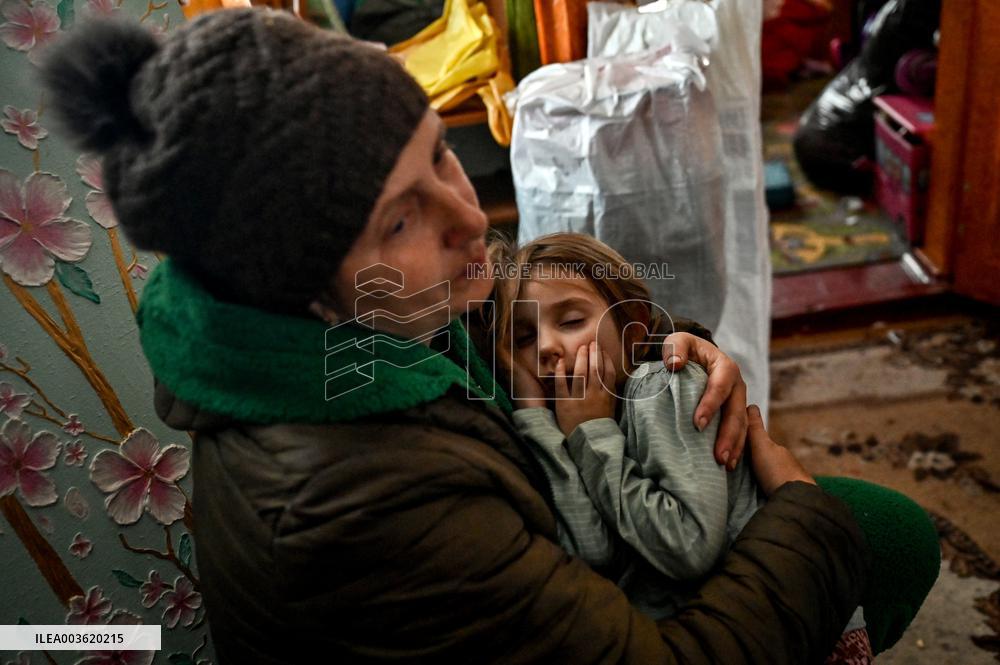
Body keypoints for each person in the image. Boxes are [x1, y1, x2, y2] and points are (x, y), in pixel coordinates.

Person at [40, 9, 937, 664]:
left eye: (439, 154)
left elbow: (543, 301)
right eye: (401, 221)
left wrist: (672, 346)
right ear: (306, 291)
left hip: (578, 546)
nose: (470, 218)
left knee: (886, 530)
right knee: (874, 534)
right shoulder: (352, 504)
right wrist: (798, 503)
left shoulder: (373, 309)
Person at [487, 233, 870, 660]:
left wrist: (593, 433)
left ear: (632, 325)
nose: (545, 347)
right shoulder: (570, 420)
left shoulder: (663, 386)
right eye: (523, 337)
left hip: (798, 625)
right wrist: (538, 418)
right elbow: (590, 551)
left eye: (571, 321)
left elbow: (689, 546)